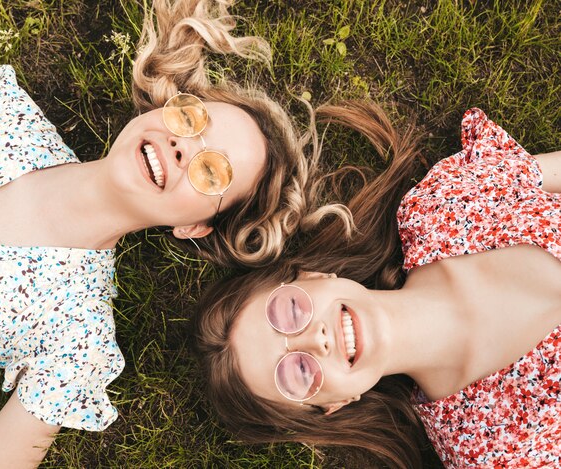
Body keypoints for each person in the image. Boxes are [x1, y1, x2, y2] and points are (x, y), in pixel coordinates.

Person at [0, 0, 352, 467]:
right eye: (193, 120)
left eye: (211, 171)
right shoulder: (4, 118)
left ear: (193, 226)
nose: (183, 147)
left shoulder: (76, 334)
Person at [194, 102, 561, 468]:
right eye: (298, 372)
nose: (315, 339)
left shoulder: (438, 208)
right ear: (334, 405)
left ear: (313, 277)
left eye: (290, 311)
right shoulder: (493, 452)